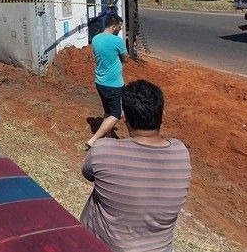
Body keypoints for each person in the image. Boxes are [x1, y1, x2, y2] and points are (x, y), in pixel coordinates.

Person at [80, 79, 191, 252]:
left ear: (124, 116)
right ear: (163, 115)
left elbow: (87, 173)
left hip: (102, 246)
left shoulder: (103, 150)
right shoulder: (181, 152)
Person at [86, 14, 127, 150]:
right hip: (114, 84)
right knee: (116, 114)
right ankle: (94, 139)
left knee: (108, 111)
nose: (120, 30)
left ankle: (108, 138)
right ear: (113, 27)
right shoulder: (117, 41)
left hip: (100, 82)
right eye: (119, 27)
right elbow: (125, 58)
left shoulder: (96, 39)